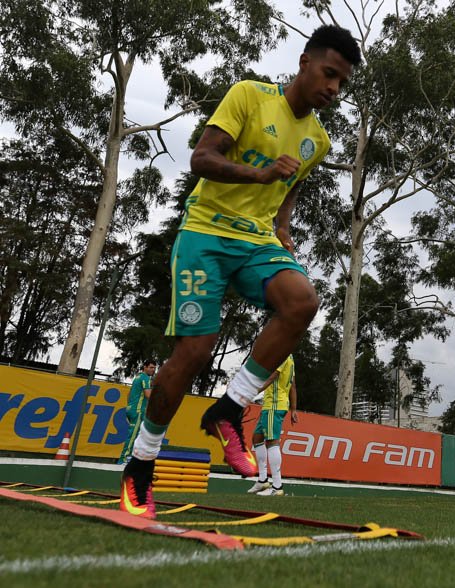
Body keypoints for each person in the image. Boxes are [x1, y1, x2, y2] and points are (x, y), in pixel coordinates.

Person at [119, 25, 362, 519]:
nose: (334, 88)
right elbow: (201, 158)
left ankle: (229, 408)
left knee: (303, 302)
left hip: (256, 239)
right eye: (329, 74)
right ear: (304, 62)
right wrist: (260, 173)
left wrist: (284, 226)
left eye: (342, 82)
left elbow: (290, 183)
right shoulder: (249, 95)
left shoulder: (318, 139)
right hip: (205, 233)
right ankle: (141, 463)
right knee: (192, 353)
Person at [247, 356, 297, 496]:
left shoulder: (283, 355)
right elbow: (292, 385)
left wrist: (251, 392)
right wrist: (293, 409)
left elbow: (271, 378)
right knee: (257, 438)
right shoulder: (290, 358)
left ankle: (277, 486)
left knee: (272, 441)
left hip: (274, 406)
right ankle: (263, 480)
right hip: (270, 406)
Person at [117, 361, 156, 464]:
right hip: (138, 411)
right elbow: (148, 395)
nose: (153, 370)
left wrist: (129, 407)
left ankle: (133, 459)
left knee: (139, 435)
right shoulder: (145, 378)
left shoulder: (137, 378)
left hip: (132, 409)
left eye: (154, 368)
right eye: (151, 367)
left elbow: (129, 394)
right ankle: (123, 459)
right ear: (145, 367)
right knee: (133, 435)